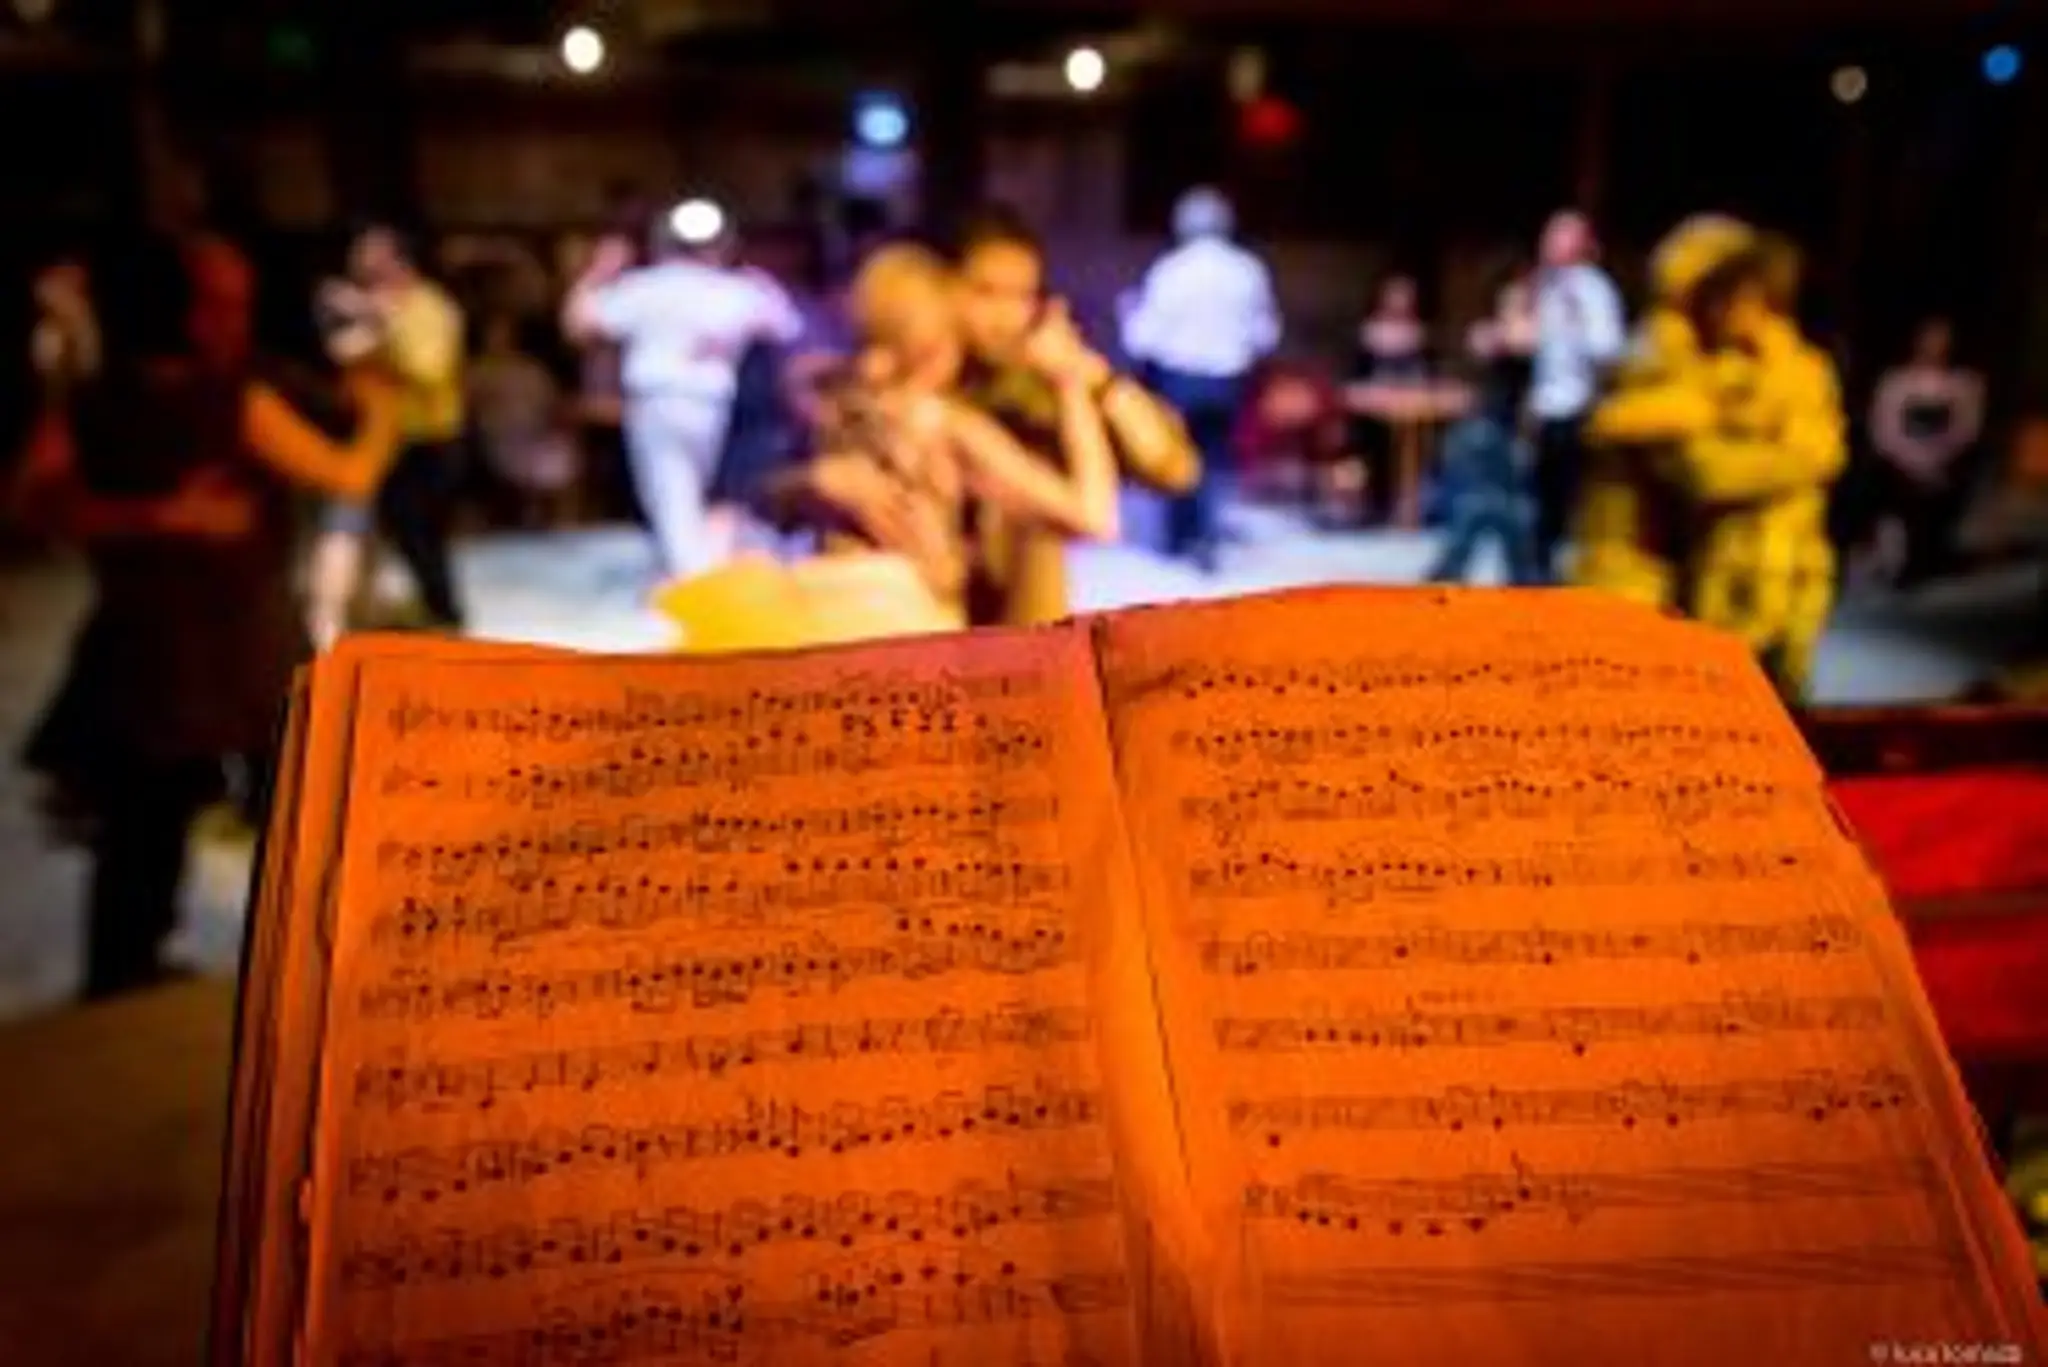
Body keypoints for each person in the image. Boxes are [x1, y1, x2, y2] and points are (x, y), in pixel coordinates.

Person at [9, 232, 399, 998]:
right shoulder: (232, 399)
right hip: (233, 641)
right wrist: (385, 409)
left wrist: (141, 518)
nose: (235, 318)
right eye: (220, 303)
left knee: (142, 834)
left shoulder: (91, 398)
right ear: (175, 310)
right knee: (296, 814)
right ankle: (332, 983)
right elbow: (347, 472)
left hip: (140, 648)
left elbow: (31, 505)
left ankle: (123, 982)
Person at [763, 243, 1120, 623]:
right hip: (909, 630)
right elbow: (1095, 517)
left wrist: (816, 484)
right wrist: (1071, 386)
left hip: (817, 617)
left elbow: (758, 498)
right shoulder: (943, 422)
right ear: (942, 343)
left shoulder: (822, 400)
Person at [948, 203, 1198, 625]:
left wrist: (1091, 377)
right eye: (985, 291)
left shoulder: (1038, 390)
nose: (1006, 316)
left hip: (1022, 644)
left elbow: (1173, 467)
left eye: (1023, 296)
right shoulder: (920, 383)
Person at [563, 208, 802, 582]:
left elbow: (578, 323)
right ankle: (695, 582)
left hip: (657, 404)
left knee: (672, 500)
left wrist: (600, 271)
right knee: (693, 501)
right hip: (712, 407)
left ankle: (692, 588)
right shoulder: (734, 289)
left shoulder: (646, 286)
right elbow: (786, 323)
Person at [1669, 240, 1847, 701]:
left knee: (1787, 720)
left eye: (1720, 301)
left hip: (1790, 575)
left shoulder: (1805, 370)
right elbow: (1704, 472)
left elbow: (1823, 456)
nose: (1711, 315)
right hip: (1723, 577)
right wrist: (1783, 463)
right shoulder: (1712, 373)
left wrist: (1748, 458)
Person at [1580, 214, 1757, 609]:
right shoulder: (1667, 346)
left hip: (1675, 562)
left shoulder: (1716, 358)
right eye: (1734, 294)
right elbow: (1704, 471)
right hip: (1630, 567)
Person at [306, 224, 468, 644]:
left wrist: (376, 319)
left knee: (418, 537)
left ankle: (444, 617)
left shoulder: (429, 308)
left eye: (371, 255)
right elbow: (343, 351)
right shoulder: (368, 308)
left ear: (399, 262)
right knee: (362, 532)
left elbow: (428, 369)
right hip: (373, 441)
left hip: (426, 443)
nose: (361, 264)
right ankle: (351, 623)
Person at [1120, 186, 1280, 571]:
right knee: (1216, 457)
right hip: (1228, 381)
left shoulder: (1170, 271)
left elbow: (1145, 338)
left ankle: (1180, 539)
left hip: (1181, 378)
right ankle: (1207, 536)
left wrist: (1127, 312)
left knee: (1179, 456)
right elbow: (1266, 334)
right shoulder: (1248, 270)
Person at [1530, 209, 1628, 580]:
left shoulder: (1591, 288)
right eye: (1549, 234)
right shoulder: (1550, 286)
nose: (1549, 243)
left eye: (1560, 236)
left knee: (1568, 501)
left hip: (1577, 407)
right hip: (1548, 406)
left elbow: (1607, 348)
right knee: (1544, 502)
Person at [1427, 272, 1542, 586]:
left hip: (1514, 433)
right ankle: (1449, 574)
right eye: (1510, 300)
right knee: (1477, 506)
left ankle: (1523, 580)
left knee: (1512, 511)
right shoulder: (1492, 331)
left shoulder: (1536, 331)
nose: (1516, 305)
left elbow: (1526, 342)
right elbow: (1486, 343)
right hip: (1484, 430)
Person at [1863, 316, 1987, 587]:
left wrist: (1936, 462)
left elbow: (1966, 430)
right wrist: (1911, 460)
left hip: (1944, 465)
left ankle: (1930, 553)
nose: (1935, 346)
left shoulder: (1965, 384)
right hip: (1900, 465)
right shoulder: (1896, 382)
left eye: (1942, 339)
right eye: (1930, 338)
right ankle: (1894, 557)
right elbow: (1884, 429)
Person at [468, 312, 577, 528]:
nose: (498, 339)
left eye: (504, 334)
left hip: (536, 436)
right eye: (493, 335)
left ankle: (561, 521)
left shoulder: (532, 370)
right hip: (494, 439)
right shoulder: (476, 372)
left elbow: (553, 405)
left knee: (562, 456)